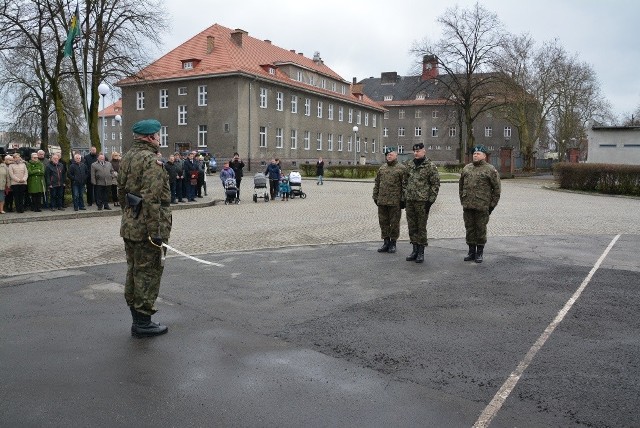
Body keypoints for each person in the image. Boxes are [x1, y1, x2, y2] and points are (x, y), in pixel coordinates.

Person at [117, 119, 172, 337]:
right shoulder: (151, 161)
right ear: (150, 137)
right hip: (147, 229)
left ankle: (137, 318)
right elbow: (152, 199)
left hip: (130, 223)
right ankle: (143, 322)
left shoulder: (128, 157)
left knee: (134, 270)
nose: (159, 139)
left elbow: (121, 192)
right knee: (148, 272)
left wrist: (130, 215)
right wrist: (155, 232)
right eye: (158, 136)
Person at [459, 145, 501, 263]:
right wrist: (463, 200)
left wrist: (491, 206)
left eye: (478, 153)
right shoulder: (467, 168)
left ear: (484, 155)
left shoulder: (490, 169)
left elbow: (497, 189)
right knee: (469, 229)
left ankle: (479, 252)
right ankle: (471, 251)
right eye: (474, 153)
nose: (475, 155)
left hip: (482, 206)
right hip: (468, 205)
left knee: (481, 229)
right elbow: (461, 186)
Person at [403, 143, 440, 263]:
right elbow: (405, 181)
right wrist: (405, 196)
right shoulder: (409, 165)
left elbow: (435, 184)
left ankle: (421, 251)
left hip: (422, 202)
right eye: (414, 151)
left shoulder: (430, 166)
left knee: (421, 227)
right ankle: (414, 250)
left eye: (418, 151)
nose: (416, 153)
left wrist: (430, 201)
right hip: (410, 201)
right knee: (412, 226)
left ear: (424, 151)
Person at [372, 149, 405, 253]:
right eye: (387, 155)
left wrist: (403, 200)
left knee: (394, 223)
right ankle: (386, 242)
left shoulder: (402, 169)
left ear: (396, 155)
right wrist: (375, 196)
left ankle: (393, 243)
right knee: (383, 222)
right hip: (382, 201)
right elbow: (377, 183)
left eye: (391, 154)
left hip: (395, 202)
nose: (389, 156)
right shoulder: (382, 168)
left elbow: (405, 185)